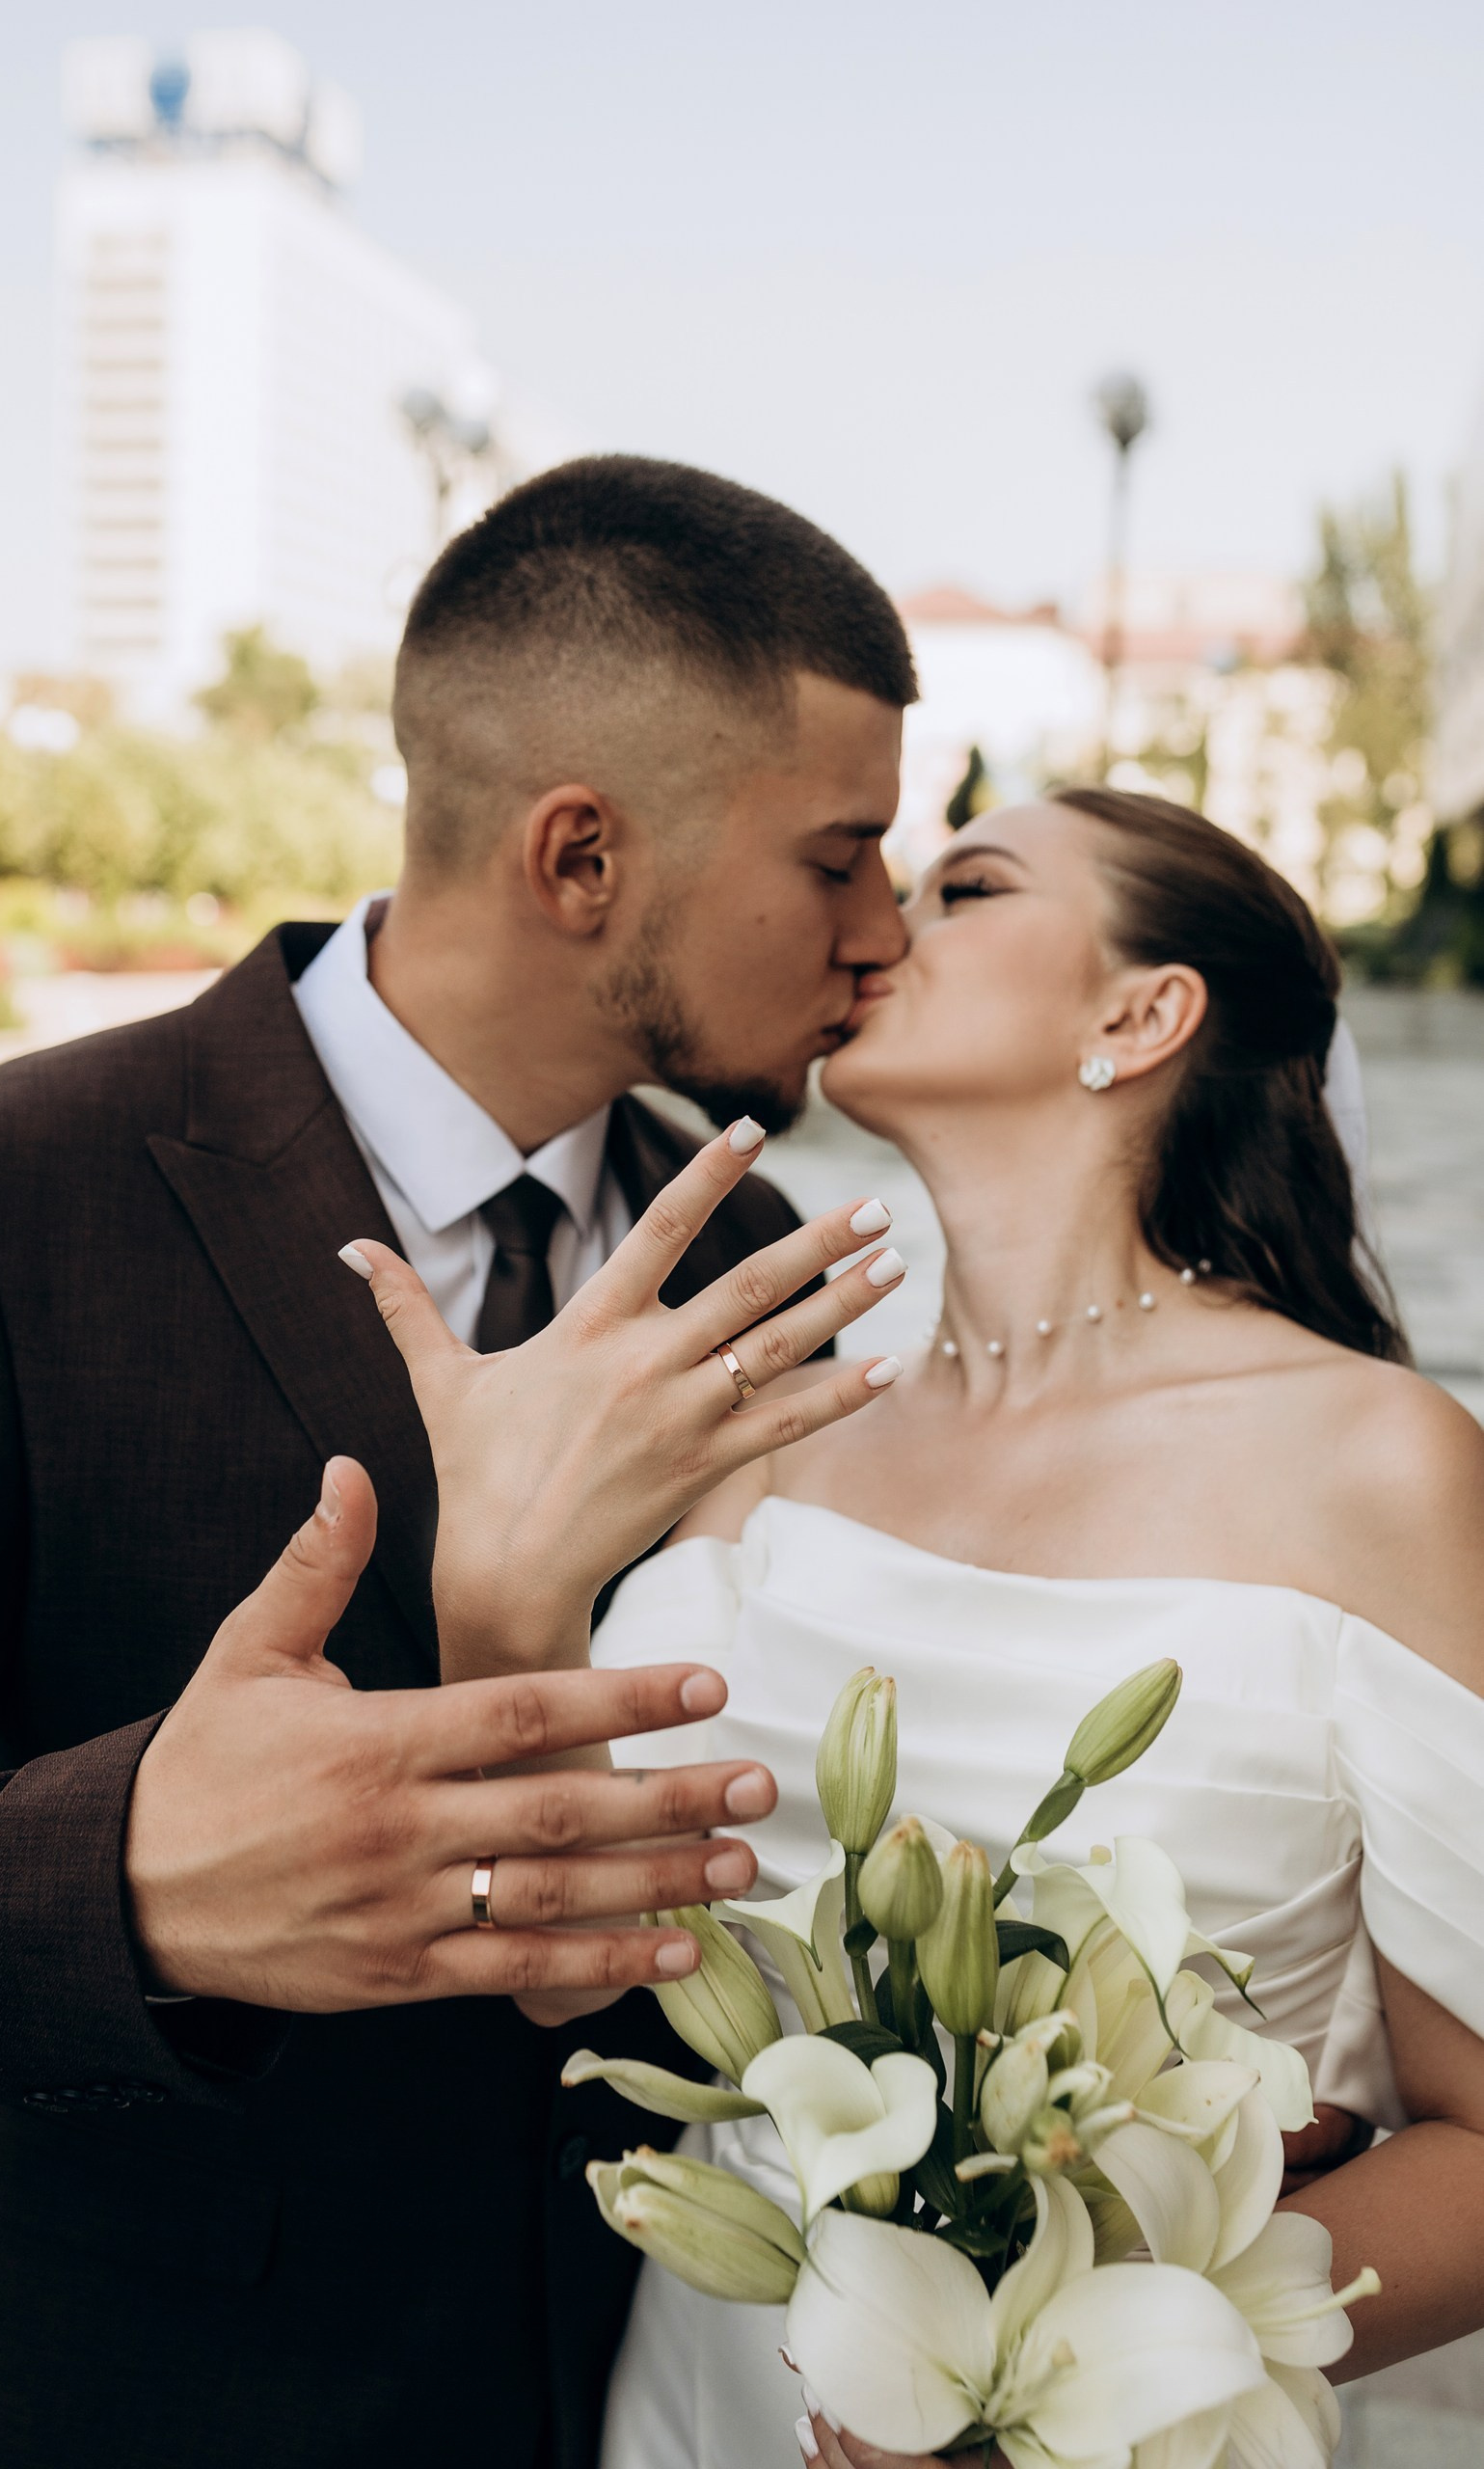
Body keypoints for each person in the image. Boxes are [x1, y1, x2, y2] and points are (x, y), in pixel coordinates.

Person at [0, 454, 917, 2469]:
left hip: (634, 2392)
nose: (885, 931)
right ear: (579, 856)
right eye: (839, 857)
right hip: (138, 2406)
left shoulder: (758, 1255)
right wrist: (134, 1882)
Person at [364, 787, 1484, 2469]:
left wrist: (1043, 2376)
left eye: (969, 886)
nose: (884, 925)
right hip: (698, 2395)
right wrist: (499, 1591)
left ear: (1142, 1013)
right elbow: (556, 1967)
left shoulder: (1380, 1462)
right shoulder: (777, 1429)